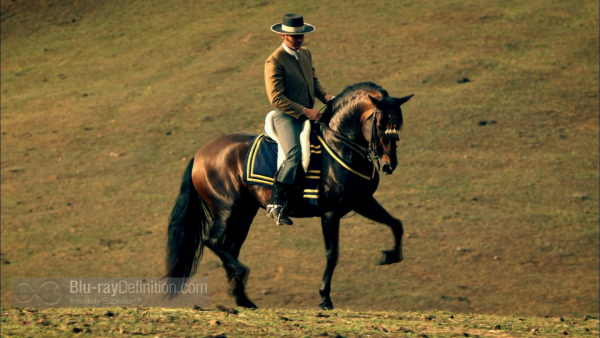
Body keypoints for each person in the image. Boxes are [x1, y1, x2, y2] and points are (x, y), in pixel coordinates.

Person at [264, 13, 333, 225]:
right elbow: (276, 98)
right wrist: (305, 111)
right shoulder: (274, 61)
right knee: (294, 155)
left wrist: (327, 97)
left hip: (308, 115)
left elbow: (313, 80)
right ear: (283, 36)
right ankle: (276, 203)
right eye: (294, 37)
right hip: (287, 116)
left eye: (301, 36)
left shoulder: (305, 53)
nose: (299, 40)